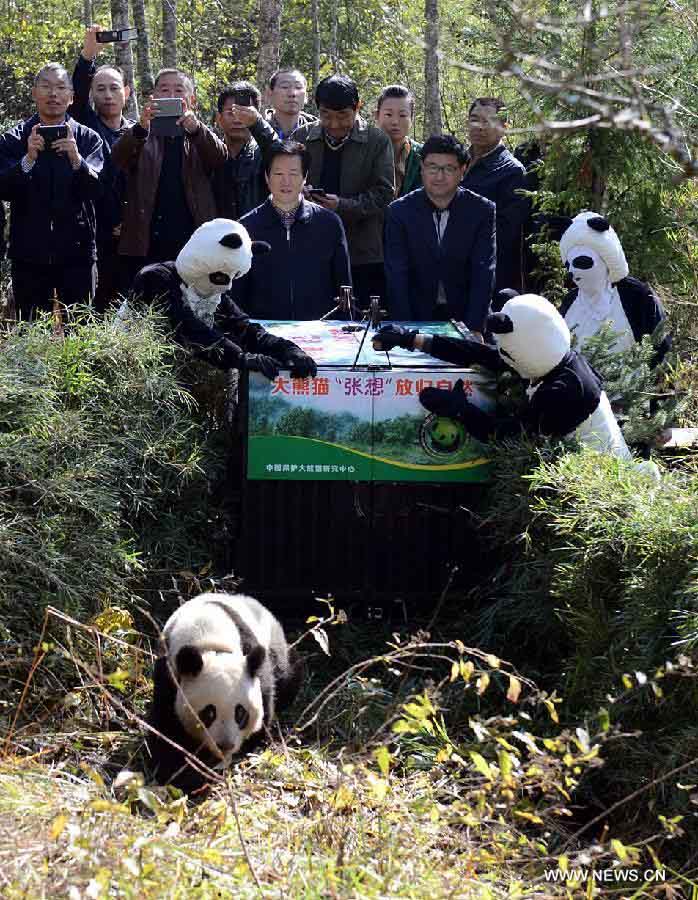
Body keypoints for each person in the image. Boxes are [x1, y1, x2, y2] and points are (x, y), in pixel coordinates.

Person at [125, 217, 318, 378]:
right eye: (221, 277)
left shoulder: (212, 293)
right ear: (202, 263)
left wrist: (287, 350)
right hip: (136, 374)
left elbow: (246, 330)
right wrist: (239, 357)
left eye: (233, 277)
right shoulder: (154, 278)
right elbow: (186, 328)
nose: (227, 286)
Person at [0, 62, 104, 319]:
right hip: (29, 253)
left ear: (71, 97)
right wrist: (28, 160)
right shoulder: (14, 138)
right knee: (31, 331)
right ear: (34, 93)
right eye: (45, 87)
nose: (53, 94)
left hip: (78, 252)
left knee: (81, 330)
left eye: (60, 88)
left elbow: (98, 188)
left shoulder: (88, 138)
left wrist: (76, 160)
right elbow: (2, 188)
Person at [112, 67, 227, 293]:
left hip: (191, 235)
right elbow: (118, 158)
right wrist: (141, 128)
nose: (171, 95)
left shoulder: (199, 134)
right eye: (164, 90)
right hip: (147, 238)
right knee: (149, 302)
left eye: (178, 90)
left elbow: (219, 159)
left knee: (191, 300)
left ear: (191, 99)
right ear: (153, 97)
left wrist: (195, 129)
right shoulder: (139, 132)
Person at [293, 74, 394, 305]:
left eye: (343, 116)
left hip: (363, 253)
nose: (334, 124)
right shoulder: (303, 137)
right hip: (312, 247)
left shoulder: (376, 141)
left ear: (357, 108)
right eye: (326, 116)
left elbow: (385, 193)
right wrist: (303, 194)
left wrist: (342, 205)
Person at [382, 134, 495, 333]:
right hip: (415, 316)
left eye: (448, 168)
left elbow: (483, 272)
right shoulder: (399, 212)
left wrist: (475, 328)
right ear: (422, 167)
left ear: (463, 170)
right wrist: (406, 330)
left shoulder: (482, 210)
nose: (439, 176)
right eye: (433, 167)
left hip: (465, 316)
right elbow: (397, 276)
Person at [234, 141, 351, 320]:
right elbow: (237, 294)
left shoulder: (329, 224)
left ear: (305, 177)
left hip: (320, 333)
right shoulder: (246, 227)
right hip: (263, 333)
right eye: (278, 173)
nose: (286, 181)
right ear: (266, 176)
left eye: (293, 174)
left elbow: (344, 287)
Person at [70, 24, 134, 310]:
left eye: (113, 88)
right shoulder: (84, 125)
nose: (107, 95)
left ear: (127, 93)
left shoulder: (140, 132)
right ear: (91, 94)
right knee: (96, 308)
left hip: (135, 237)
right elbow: (79, 91)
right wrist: (88, 56)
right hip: (95, 234)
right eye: (100, 89)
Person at [559, 211, 670, 362]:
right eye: (568, 265)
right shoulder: (570, 302)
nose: (572, 270)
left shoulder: (637, 296)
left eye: (581, 262)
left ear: (605, 260)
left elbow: (659, 346)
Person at [461, 98, 528, 294]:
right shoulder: (456, 162)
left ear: (504, 126)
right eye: (474, 119)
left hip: (487, 275)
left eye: (488, 121)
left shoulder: (512, 171)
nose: (480, 127)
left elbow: (506, 232)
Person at [210, 82, 279, 222]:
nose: (237, 120)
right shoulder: (210, 152)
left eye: (244, 113)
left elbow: (283, 156)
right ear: (218, 118)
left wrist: (258, 125)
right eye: (231, 113)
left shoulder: (263, 154)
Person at [374, 85, 422, 197]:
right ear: (376, 115)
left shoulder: (422, 155)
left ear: (412, 118)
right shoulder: (364, 151)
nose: (395, 121)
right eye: (388, 115)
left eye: (402, 115)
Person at [264, 68, 318, 139]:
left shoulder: (318, 130)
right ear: (270, 94)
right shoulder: (259, 128)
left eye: (298, 87)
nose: (292, 93)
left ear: (306, 96)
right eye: (285, 87)